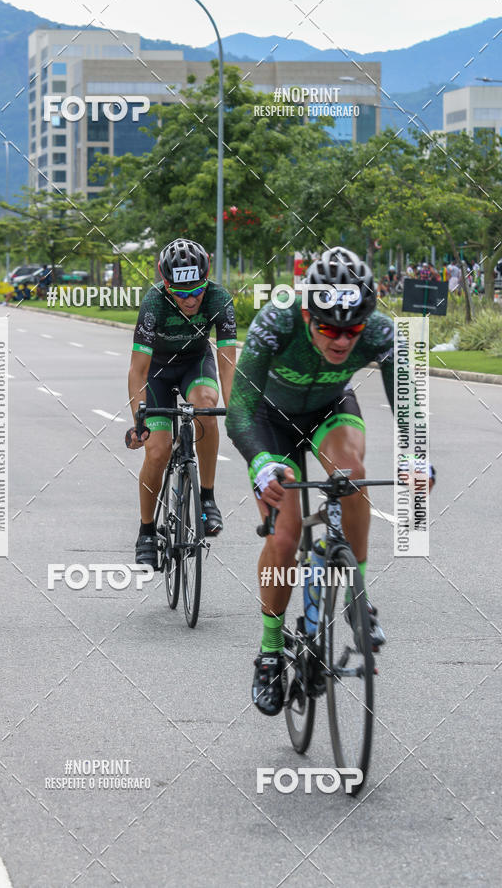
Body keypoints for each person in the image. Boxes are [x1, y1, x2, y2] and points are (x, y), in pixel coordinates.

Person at [226, 246, 434, 717]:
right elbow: (239, 409)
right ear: (307, 314)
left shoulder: (379, 331)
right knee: (284, 537)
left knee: (352, 476)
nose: (342, 340)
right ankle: (270, 650)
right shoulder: (276, 322)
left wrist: (417, 458)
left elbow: (408, 402)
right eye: (329, 329)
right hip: (269, 421)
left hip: (329, 409)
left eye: (352, 330)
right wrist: (260, 464)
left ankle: (359, 599)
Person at [125, 239, 237, 566]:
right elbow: (137, 371)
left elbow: (228, 364)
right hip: (156, 372)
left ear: (206, 279)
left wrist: (237, 412)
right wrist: (139, 422)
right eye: (180, 292)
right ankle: (147, 530)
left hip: (195, 364)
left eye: (197, 290)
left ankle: (207, 498)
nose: (190, 299)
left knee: (206, 408)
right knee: (158, 451)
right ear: (166, 283)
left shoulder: (219, 298)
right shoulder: (154, 302)